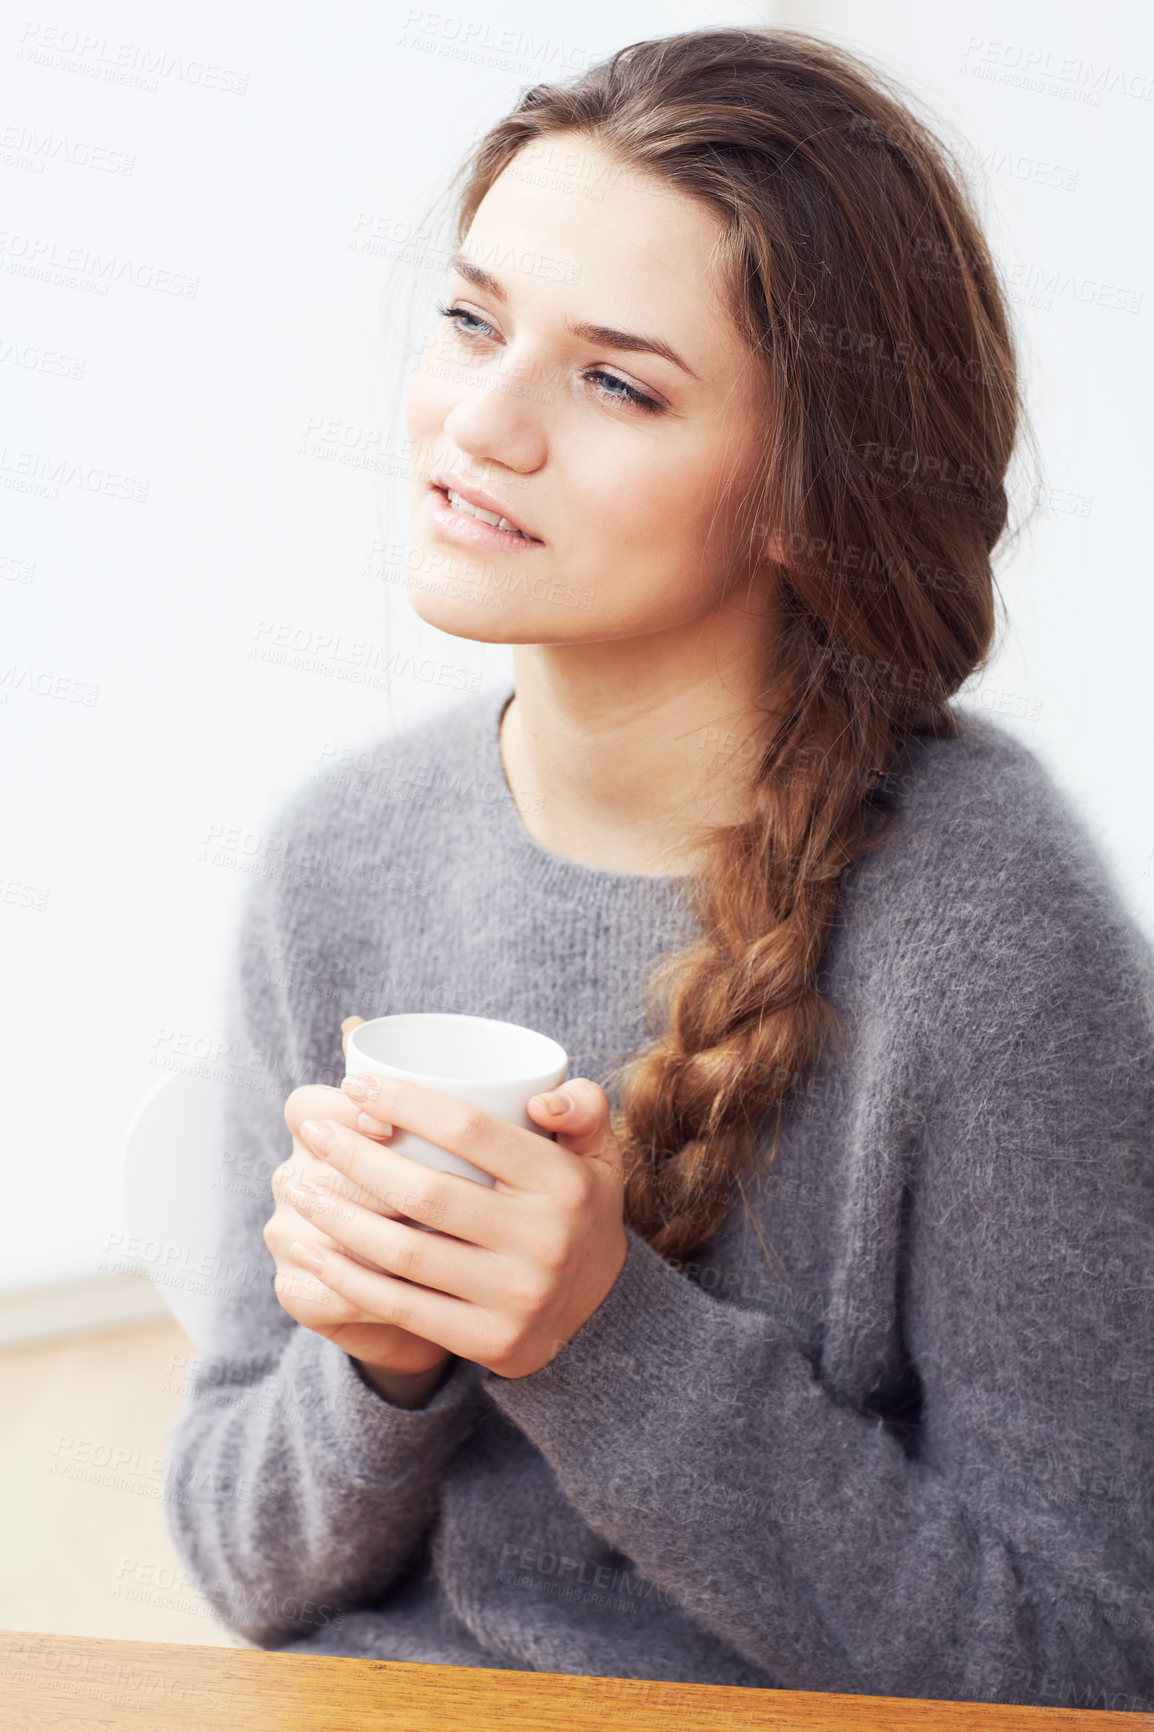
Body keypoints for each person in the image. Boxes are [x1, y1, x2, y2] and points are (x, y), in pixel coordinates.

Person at [163, 27, 1154, 1711]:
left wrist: (596, 1336)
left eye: (616, 382)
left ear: (802, 489)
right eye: (472, 320)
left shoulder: (990, 931)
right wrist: (383, 1366)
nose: (480, 421)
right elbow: (246, 1562)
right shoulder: (339, 854)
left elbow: (1090, 1654)